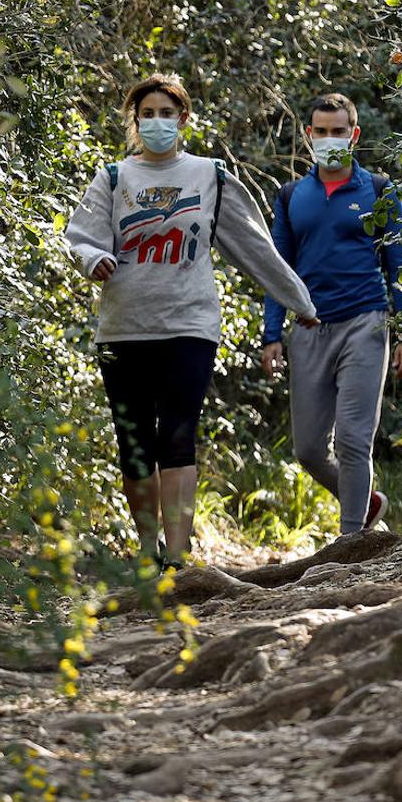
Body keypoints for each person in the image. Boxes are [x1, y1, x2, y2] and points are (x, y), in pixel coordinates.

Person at [66, 73, 318, 571]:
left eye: (166, 113)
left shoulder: (211, 176)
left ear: (183, 119)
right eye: (148, 114)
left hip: (190, 324)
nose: (157, 122)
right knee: (134, 441)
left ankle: (178, 562)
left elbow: (254, 248)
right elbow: (81, 236)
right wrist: (93, 259)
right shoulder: (113, 178)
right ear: (135, 121)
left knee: (178, 436)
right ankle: (146, 554)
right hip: (124, 327)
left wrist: (300, 302)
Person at [260, 92, 402, 537]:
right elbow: (278, 271)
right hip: (309, 329)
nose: (331, 139)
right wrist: (271, 334)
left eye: (339, 131)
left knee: (353, 439)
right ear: (310, 136)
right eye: (322, 132)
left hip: (365, 325)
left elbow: (400, 263)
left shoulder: (379, 190)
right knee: (308, 449)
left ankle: (352, 541)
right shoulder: (292, 196)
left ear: (355, 134)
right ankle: (365, 504)